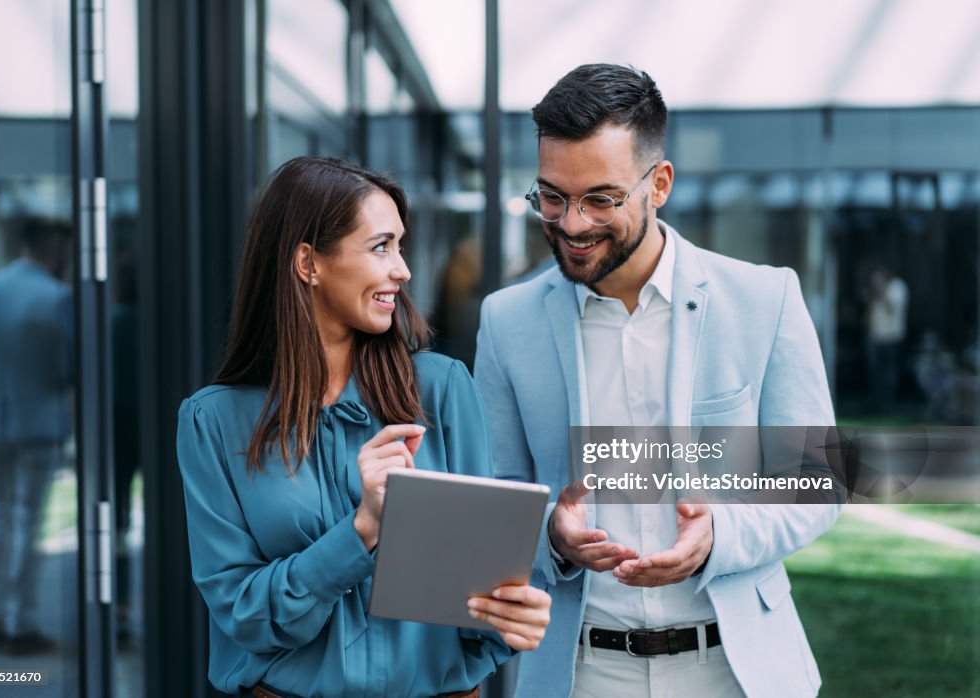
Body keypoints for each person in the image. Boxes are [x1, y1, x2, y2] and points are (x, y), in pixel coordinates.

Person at [473, 65, 841, 698]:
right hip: (578, 671)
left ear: (659, 183)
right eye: (552, 197)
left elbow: (816, 485)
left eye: (601, 199)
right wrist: (550, 537)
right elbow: (493, 492)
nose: (572, 224)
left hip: (735, 669)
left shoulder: (765, 298)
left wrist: (718, 537)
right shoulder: (506, 322)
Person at [176, 156, 551, 698]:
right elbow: (244, 617)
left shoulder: (442, 390)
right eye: (381, 247)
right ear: (309, 262)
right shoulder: (213, 421)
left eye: (400, 245)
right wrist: (363, 528)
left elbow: (477, 606)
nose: (403, 269)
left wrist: (511, 616)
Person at [0, 218, 73, 655]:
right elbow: (68, 367)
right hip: (39, 422)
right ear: (51, 247)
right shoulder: (58, 296)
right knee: (26, 519)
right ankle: (18, 621)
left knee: (0, 513)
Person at [865, 263, 909, 414]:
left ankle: (888, 406)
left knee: (889, 374)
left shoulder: (898, 287)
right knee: (875, 373)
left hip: (891, 337)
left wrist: (880, 288)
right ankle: (876, 405)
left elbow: (891, 307)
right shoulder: (877, 291)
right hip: (876, 337)